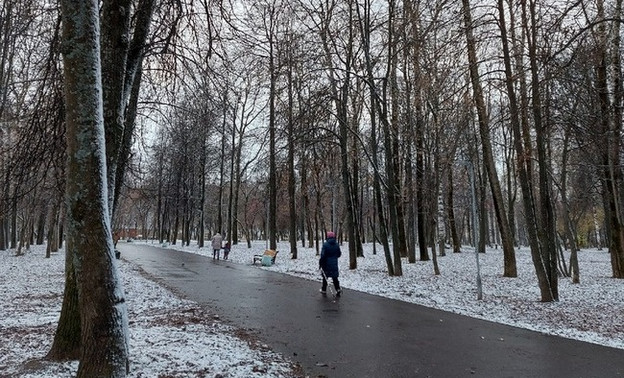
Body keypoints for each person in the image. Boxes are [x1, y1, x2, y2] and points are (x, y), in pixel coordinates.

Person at [319, 231, 342, 296]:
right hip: (334, 263)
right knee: (334, 277)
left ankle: (324, 289)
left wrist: (321, 263)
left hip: (326, 263)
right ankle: (338, 289)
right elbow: (339, 254)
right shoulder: (336, 244)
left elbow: (323, 255)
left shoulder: (325, 244)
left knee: (325, 277)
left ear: (328, 237)